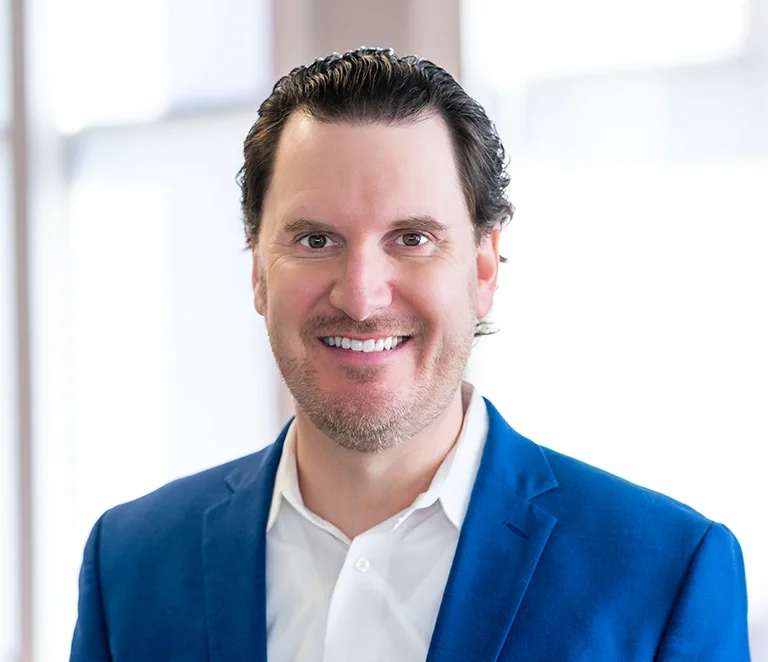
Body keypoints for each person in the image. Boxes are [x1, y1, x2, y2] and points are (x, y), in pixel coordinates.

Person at [70, 47, 750, 661]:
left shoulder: (663, 575)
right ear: (257, 271)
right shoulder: (130, 566)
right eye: (314, 240)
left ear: (484, 269)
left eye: (412, 238)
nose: (362, 299)